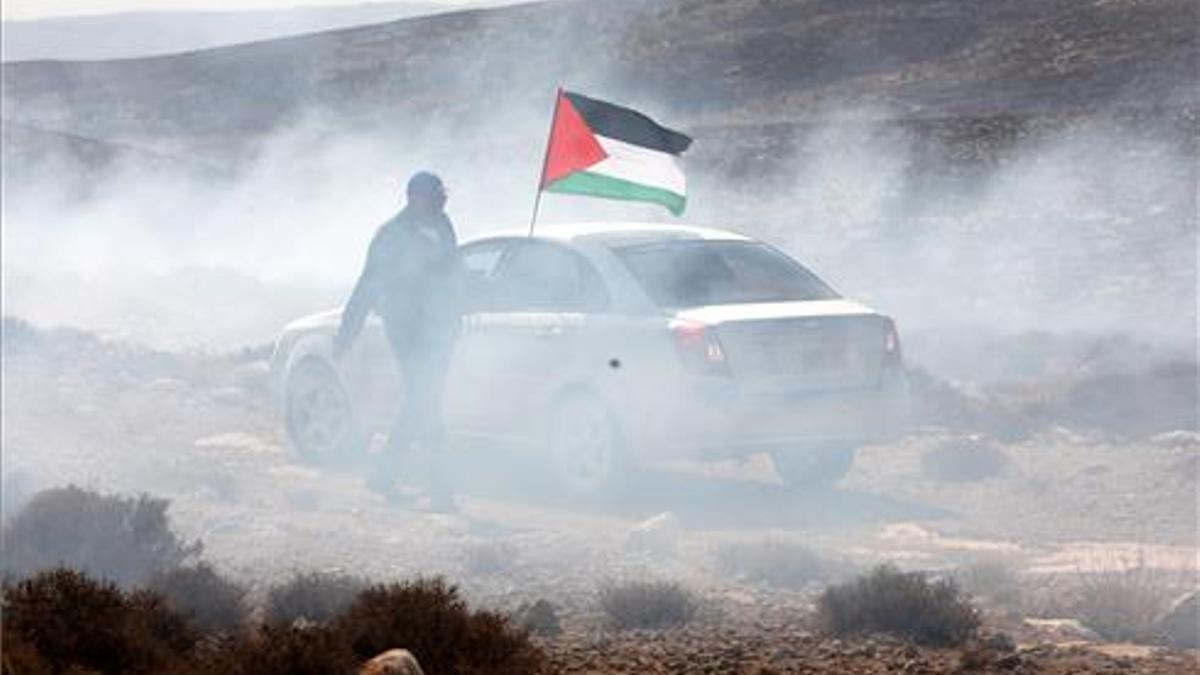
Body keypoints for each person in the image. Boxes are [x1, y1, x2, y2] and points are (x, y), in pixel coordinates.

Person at [332, 171, 461, 512]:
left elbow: (452, 273)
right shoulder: (390, 235)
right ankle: (439, 487)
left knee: (421, 400)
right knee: (425, 396)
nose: (441, 201)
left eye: (442, 195)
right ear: (413, 197)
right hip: (407, 329)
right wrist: (346, 334)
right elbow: (366, 286)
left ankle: (385, 473)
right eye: (435, 195)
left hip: (441, 327)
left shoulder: (444, 224)